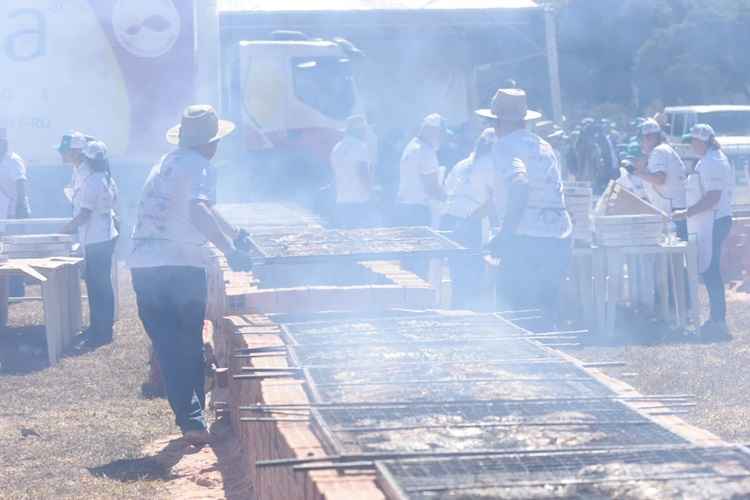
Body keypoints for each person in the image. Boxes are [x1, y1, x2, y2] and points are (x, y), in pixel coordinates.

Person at [128, 105, 254, 446]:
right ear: (209, 143)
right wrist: (230, 251)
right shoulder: (201, 166)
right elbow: (198, 210)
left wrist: (236, 233)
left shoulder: (166, 163)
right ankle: (194, 421)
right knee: (185, 342)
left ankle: (191, 420)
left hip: (144, 265)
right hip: (181, 264)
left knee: (171, 346)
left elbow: (206, 209)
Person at [478, 88, 572, 329]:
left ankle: (531, 366)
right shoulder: (545, 147)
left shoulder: (505, 146)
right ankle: (552, 363)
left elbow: (520, 184)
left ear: (497, 121)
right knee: (545, 313)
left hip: (525, 239)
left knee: (518, 313)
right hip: (558, 237)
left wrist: (504, 233)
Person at [674, 124, 734, 340]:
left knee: (711, 271)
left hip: (715, 220)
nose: (690, 145)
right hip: (712, 220)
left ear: (701, 140)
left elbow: (712, 197)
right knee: (709, 271)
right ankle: (716, 320)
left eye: (692, 141)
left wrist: (687, 213)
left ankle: (719, 322)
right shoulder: (710, 159)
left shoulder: (712, 162)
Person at [61, 141, 119, 349]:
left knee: (98, 287)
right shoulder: (104, 178)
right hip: (101, 237)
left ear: (89, 159)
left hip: (97, 239)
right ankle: (99, 327)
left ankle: (101, 331)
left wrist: (66, 229)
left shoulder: (94, 180)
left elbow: (84, 214)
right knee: (98, 285)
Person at [441, 128, 497, 309]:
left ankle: (457, 310)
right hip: (470, 221)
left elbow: (446, 189)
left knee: (457, 273)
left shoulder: (462, 163)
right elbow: (493, 201)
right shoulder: (493, 165)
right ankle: (469, 314)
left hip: (449, 219)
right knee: (473, 273)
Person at [396, 113, 447, 277]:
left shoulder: (411, 146)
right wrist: (447, 198)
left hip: (404, 208)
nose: (441, 138)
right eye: (440, 133)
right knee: (419, 261)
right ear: (432, 131)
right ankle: (418, 300)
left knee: (407, 261)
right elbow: (432, 187)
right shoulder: (426, 151)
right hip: (417, 211)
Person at [635, 118, 688, 240]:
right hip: (676, 207)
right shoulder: (664, 149)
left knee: (676, 252)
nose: (642, 143)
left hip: (673, 211)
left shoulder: (658, 151)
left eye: (643, 139)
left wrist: (638, 173)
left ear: (649, 138)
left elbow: (659, 179)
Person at [330, 115, 376, 228]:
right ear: (359, 131)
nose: (365, 133)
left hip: (341, 200)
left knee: (348, 235)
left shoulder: (337, 148)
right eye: (364, 130)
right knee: (361, 236)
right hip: (359, 201)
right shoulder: (360, 146)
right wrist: (372, 193)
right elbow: (363, 172)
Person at [0, 127, 30, 297]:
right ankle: (5, 290)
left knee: (16, 251)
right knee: (3, 252)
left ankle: (17, 289)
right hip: (2, 213)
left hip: (14, 212)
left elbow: (20, 183)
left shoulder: (13, 160)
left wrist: (20, 209)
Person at [56, 131, 94, 204]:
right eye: (61, 150)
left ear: (77, 152)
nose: (61, 153)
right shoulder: (77, 168)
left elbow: (87, 204)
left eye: (64, 150)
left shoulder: (86, 172)